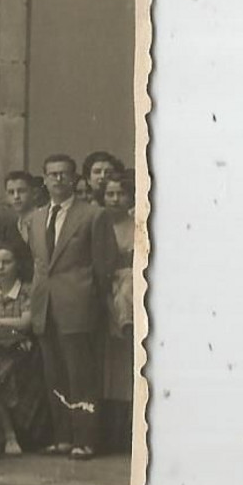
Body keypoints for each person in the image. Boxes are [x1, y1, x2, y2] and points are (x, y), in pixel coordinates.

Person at [25, 154, 118, 461]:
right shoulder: (36, 217)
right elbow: (40, 264)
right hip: (45, 306)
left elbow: (104, 266)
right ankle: (62, 437)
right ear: (45, 179)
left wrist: (91, 301)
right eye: (52, 174)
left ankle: (86, 440)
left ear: (74, 177)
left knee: (81, 376)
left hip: (78, 305)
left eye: (64, 174)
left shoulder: (93, 215)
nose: (58, 180)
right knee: (54, 376)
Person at [0, 243, 50, 455]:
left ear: (17, 264)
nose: (1, 267)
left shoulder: (26, 290)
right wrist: (3, 324)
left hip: (20, 350)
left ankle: (10, 434)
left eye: (6, 262)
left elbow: (26, 323)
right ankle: (8, 434)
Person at [100, 170, 136, 453]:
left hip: (128, 290)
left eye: (120, 194)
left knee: (125, 367)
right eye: (109, 194)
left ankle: (127, 434)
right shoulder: (97, 223)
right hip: (102, 290)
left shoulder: (138, 225)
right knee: (105, 369)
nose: (114, 199)